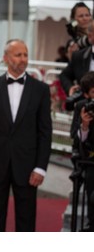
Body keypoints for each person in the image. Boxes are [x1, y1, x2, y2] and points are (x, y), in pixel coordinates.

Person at [0, 39, 52, 231]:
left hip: (27, 166)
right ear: (6, 58)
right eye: (18, 55)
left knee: (26, 221)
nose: (23, 59)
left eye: (25, 54)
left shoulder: (41, 90)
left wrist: (40, 167)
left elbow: (45, 131)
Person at [70, 71, 94, 231]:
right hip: (91, 161)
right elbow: (75, 136)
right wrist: (84, 126)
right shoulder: (82, 107)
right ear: (86, 95)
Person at [59, 19, 94, 101]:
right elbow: (64, 75)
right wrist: (70, 88)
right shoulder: (79, 56)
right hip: (85, 107)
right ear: (90, 35)